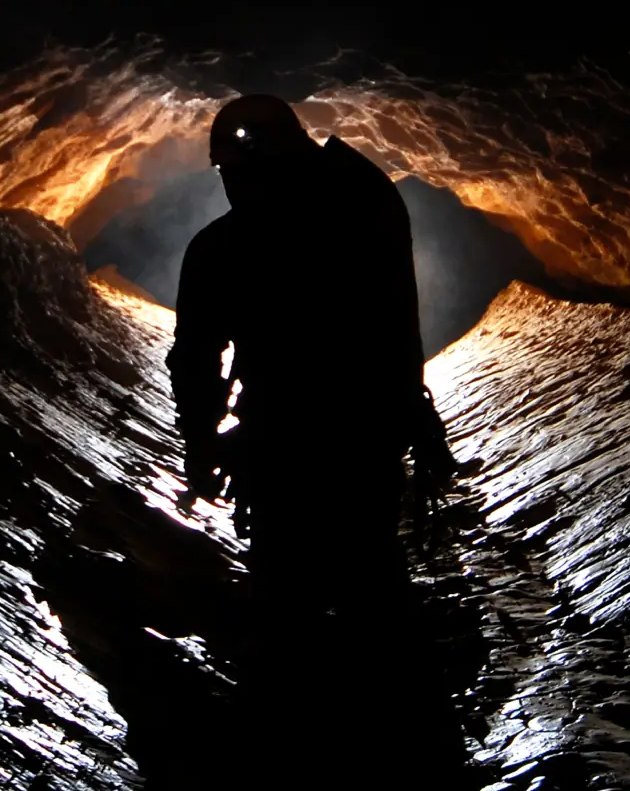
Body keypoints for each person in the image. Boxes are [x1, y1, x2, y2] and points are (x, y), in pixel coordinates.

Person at [165, 94, 469, 787]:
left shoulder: (230, 246)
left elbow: (197, 359)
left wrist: (202, 444)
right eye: (233, 174)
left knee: (310, 595)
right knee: (361, 586)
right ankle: (405, 744)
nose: (237, 185)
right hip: (341, 441)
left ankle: (310, 741)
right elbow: (396, 327)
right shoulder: (357, 212)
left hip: (307, 445)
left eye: (241, 172)